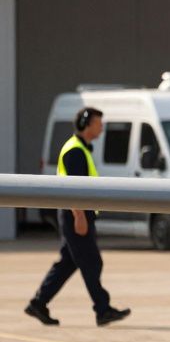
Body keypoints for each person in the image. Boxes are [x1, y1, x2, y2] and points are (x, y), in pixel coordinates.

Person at [24, 107, 131, 327]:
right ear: (86, 124)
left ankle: (38, 303)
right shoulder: (75, 150)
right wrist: (80, 217)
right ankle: (103, 310)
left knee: (68, 263)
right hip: (75, 216)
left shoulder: (81, 148)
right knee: (92, 262)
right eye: (98, 123)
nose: (101, 127)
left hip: (75, 215)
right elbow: (72, 189)